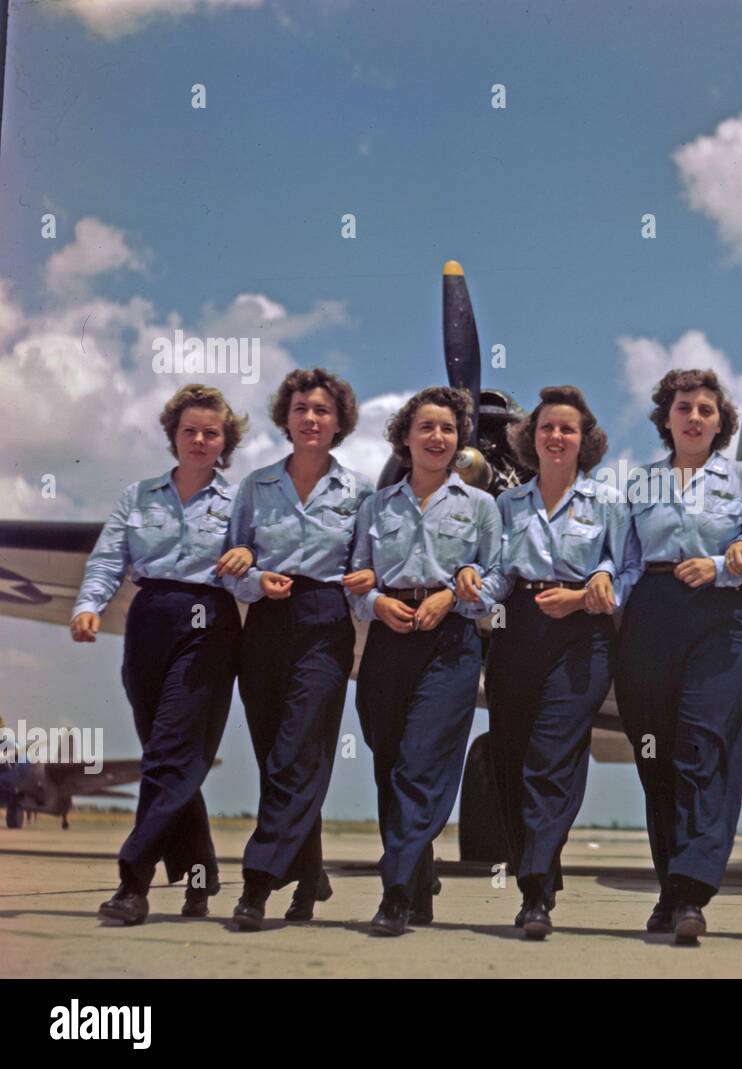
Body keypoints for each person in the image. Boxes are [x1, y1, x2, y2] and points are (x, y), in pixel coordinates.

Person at [72, 384, 251, 924]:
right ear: (174, 435)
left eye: (211, 432)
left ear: (226, 442)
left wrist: (249, 563)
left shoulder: (242, 502)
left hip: (208, 624)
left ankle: (133, 881)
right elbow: (109, 559)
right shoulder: (138, 497)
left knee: (172, 753)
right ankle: (201, 877)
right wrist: (89, 606)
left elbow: (260, 575)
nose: (199, 439)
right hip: (147, 620)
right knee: (166, 757)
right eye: (189, 430)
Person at [614, 369, 742, 943]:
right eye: (684, 407)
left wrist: (730, 559)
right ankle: (671, 889)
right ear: (666, 417)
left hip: (721, 616)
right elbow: (625, 561)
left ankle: (691, 891)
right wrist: (599, 591)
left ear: (719, 422)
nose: (694, 417)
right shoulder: (639, 484)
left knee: (703, 745)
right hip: (651, 616)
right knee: (656, 756)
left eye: (706, 409)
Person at [467, 386, 632, 939]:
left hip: (581, 633)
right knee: (511, 759)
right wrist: (469, 589)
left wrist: (598, 583)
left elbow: (624, 566)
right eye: (547, 428)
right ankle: (538, 867)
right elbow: (495, 573)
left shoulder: (607, 501)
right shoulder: (506, 506)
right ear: (530, 439)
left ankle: (535, 889)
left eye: (568, 428)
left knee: (553, 755)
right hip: (517, 628)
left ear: (585, 440)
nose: (557, 436)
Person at [349, 386, 502, 936]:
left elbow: (498, 579)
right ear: (405, 438)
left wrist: (459, 593)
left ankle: (393, 893)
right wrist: (375, 603)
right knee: (389, 764)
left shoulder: (482, 507)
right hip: (390, 640)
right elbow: (356, 580)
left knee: (420, 764)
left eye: (448, 429)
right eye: (426, 428)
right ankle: (417, 886)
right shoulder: (375, 506)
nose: (438, 437)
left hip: (451, 641)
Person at [226, 368, 375, 930]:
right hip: (265, 622)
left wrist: (372, 596)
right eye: (300, 409)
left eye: (321, 411)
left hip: (323, 622)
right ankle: (309, 878)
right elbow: (233, 563)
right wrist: (251, 578)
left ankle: (257, 884)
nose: (310, 419)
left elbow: (362, 573)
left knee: (296, 754)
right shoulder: (255, 486)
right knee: (277, 761)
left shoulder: (360, 493)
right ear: (285, 419)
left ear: (339, 423)